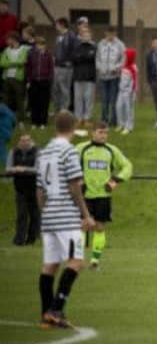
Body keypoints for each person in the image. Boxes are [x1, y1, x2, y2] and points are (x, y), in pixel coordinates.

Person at [37, 110, 95, 328]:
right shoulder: (69, 151)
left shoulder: (43, 152)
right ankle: (56, 309)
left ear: (55, 127)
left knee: (49, 265)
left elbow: (39, 190)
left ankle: (46, 314)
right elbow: (74, 184)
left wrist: (45, 214)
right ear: (73, 127)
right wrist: (86, 215)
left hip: (49, 215)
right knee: (76, 261)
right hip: (66, 215)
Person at [76, 121, 133, 270]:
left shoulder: (111, 150)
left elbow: (128, 166)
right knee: (82, 226)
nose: (104, 135)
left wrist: (115, 180)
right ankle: (78, 260)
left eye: (106, 133)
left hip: (103, 196)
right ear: (92, 133)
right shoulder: (81, 149)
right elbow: (68, 165)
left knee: (99, 228)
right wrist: (77, 180)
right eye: (100, 132)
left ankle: (95, 262)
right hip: (84, 196)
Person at [6, 134, 39, 245]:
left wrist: (24, 169)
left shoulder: (37, 152)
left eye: (27, 140)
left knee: (34, 215)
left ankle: (31, 239)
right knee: (21, 215)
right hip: (20, 188)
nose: (25, 142)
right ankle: (19, 240)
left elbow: (37, 169)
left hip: (34, 188)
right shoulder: (13, 152)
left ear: (31, 141)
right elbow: (8, 169)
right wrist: (14, 169)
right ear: (19, 142)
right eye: (22, 140)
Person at [96, 26, 125, 127]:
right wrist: (99, 68)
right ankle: (104, 120)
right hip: (103, 77)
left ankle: (114, 120)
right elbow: (97, 58)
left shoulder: (120, 44)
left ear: (115, 34)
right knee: (104, 100)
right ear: (105, 33)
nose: (111, 36)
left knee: (114, 99)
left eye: (113, 34)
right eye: (109, 33)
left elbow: (124, 59)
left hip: (114, 77)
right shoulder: (100, 44)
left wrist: (117, 68)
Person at [1, 32, 30, 125]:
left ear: (14, 39)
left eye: (8, 39)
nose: (6, 41)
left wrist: (9, 63)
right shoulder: (6, 50)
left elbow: (22, 61)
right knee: (6, 99)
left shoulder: (23, 49)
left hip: (17, 78)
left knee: (19, 99)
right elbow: (2, 63)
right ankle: (6, 117)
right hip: (7, 78)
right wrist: (14, 63)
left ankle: (21, 119)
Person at [25, 36, 54, 128]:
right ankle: (34, 121)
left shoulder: (48, 55)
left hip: (45, 81)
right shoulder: (31, 54)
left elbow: (51, 68)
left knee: (44, 102)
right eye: (38, 45)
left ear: (45, 45)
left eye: (41, 45)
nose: (39, 47)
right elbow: (28, 68)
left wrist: (49, 79)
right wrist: (29, 80)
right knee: (34, 102)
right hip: (34, 81)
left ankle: (43, 122)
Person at [71, 27, 97, 126]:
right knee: (78, 98)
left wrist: (82, 57)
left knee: (88, 98)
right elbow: (74, 59)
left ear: (90, 36)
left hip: (90, 76)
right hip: (78, 76)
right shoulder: (77, 47)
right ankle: (78, 118)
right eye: (84, 35)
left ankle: (87, 118)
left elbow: (91, 58)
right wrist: (84, 57)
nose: (86, 36)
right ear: (81, 36)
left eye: (88, 35)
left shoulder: (94, 47)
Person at [52, 18, 77, 113]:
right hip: (57, 66)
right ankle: (58, 109)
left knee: (64, 89)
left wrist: (70, 61)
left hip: (66, 68)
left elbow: (75, 50)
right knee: (55, 88)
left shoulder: (71, 36)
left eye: (57, 24)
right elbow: (57, 50)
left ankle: (64, 109)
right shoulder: (58, 37)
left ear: (62, 25)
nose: (56, 26)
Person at [115, 48, 138, 135]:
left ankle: (128, 126)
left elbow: (134, 81)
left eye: (126, 56)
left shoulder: (133, 68)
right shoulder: (124, 66)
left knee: (128, 109)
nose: (124, 58)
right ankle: (121, 124)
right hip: (121, 90)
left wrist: (131, 92)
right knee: (119, 106)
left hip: (129, 92)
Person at [0, 99, 16, 168]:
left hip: (2, 133)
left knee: (2, 150)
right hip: (8, 133)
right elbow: (14, 121)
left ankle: (8, 165)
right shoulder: (8, 110)